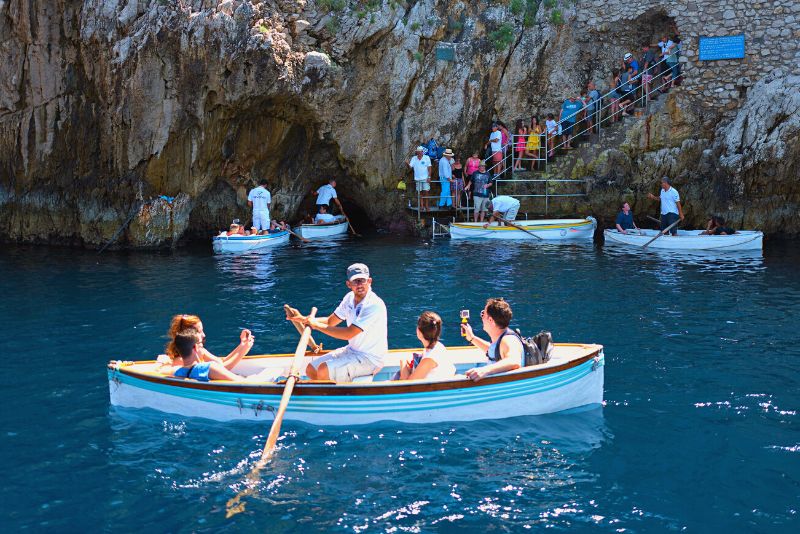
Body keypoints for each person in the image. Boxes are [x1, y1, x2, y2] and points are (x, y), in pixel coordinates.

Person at [288, 263, 388, 382]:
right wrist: (303, 319)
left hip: (371, 359)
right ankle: (326, 392)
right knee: (311, 369)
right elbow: (330, 321)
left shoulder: (373, 305)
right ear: (348, 284)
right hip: (353, 350)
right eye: (355, 281)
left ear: (370, 281)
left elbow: (348, 334)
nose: (359, 285)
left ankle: (328, 394)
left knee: (323, 370)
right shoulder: (349, 298)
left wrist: (315, 324)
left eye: (362, 280)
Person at [158, 314, 254, 373]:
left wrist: (242, 345)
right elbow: (223, 369)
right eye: (199, 332)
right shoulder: (182, 359)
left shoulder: (200, 350)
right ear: (188, 334)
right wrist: (243, 350)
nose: (204, 335)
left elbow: (221, 362)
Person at [461, 298, 523, 382]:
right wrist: (472, 338)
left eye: (483, 314)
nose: (482, 318)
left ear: (490, 320)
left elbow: (514, 361)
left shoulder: (509, 340)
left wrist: (484, 370)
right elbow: (493, 351)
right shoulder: (501, 339)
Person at [166, 329, 247, 382]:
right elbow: (242, 383)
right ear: (195, 347)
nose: (202, 345)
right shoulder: (209, 368)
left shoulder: (178, 373)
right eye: (201, 342)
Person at [397, 311, 456, 381]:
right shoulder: (438, 346)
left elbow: (408, 385)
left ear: (419, 332)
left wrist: (403, 363)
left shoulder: (429, 359)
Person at [409, 146, 432, 212]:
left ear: (422, 152)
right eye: (417, 152)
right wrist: (407, 164)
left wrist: (429, 177)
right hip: (417, 179)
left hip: (425, 178)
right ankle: (422, 206)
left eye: (420, 152)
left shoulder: (426, 157)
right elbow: (410, 167)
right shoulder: (414, 158)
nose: (418, 153)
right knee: (420, 193)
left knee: (426, 192)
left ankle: (427, 206)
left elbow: (429, 168)